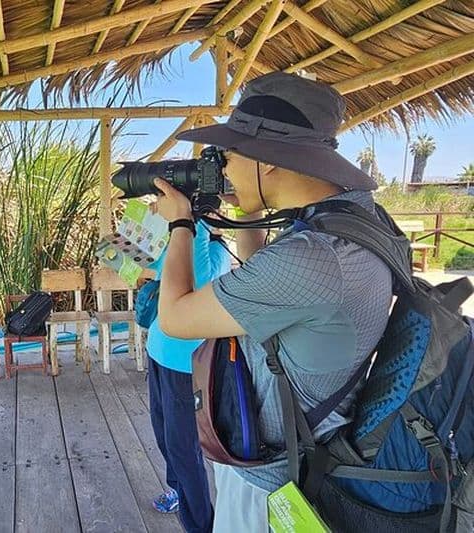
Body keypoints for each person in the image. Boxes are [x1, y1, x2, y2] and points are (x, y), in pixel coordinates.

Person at [152, 72, 393, 530]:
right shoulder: (351, 221)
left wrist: (180, 224)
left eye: (230, 156)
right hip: (306, 448)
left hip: (271, 479)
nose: (224, 169)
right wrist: (249, 207)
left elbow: (175, 318)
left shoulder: (314, 258)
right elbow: (267, 279)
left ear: (269, 160)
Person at [144, 220, 230, 533]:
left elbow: (195, 282)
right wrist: (123, 248)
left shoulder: (211, 249)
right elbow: (154, 270)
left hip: (185, 364)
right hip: (157, 351)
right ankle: (177, 490)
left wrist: (193, 222)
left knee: (183, 446)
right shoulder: (179, 241)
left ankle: (199, 525)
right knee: (163, 432)